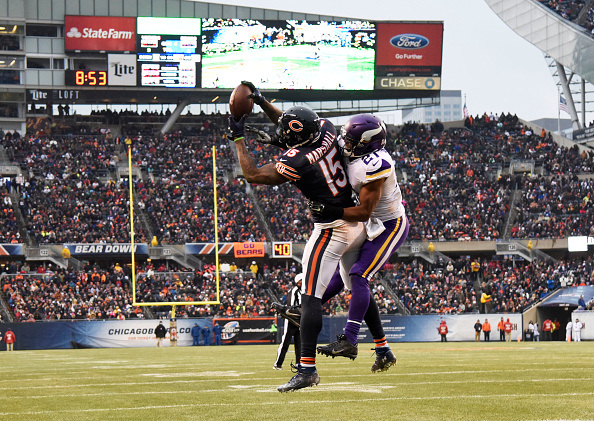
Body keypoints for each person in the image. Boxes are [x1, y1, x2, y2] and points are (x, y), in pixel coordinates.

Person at [229, 83, 366, 392]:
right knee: (354, 279)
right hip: (355, 217)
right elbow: (289, 122)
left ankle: (307, 370)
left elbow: (253, 174)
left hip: (332, 227)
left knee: (309, 298)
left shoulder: (298, 160)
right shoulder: (326, 128)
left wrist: (238, 136)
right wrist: (262, 102)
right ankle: (372, 343)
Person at [311, 113, 409, 369]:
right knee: (344, 276)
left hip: (389, 225)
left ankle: (350, 339)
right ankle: (383, 349)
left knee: (358, 275)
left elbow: (365, 211)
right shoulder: (354, 153)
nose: (346, 143)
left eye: (353, 140)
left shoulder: (378, 163)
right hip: (369, 222)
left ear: (368, 142)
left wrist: (331, 212)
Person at [274, 274, 303, 370]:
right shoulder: (294, 290)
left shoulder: (303, 291)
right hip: (291, 319)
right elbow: (291, 307)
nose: (301, 282)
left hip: (299, 320)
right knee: (285, 342)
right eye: (300, 281)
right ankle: (278, 363)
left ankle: (299, 362)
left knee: (299, 343)